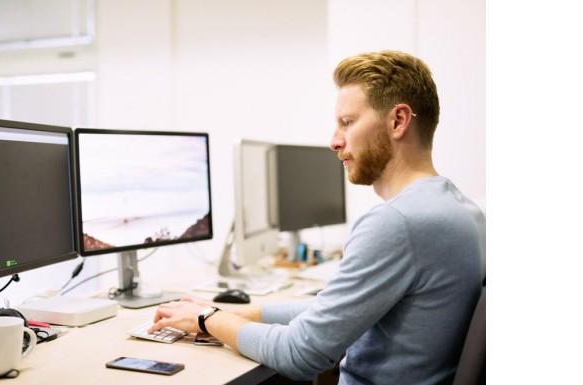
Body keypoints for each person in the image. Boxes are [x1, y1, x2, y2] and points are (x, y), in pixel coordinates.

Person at [149, 50, 485, 384]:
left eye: (347, 123)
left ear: (398, 121)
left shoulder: (397, 223)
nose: (334, 141)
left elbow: (301, 355)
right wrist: (237, 312)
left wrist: (208, 319)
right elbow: (331, 314)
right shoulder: (463, 211)